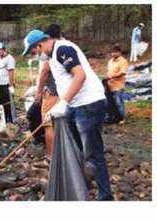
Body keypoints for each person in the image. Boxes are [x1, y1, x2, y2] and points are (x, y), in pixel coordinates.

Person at [22, 29, 113, 200]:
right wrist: (59, 106)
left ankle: (105, 197)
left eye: (33, 52)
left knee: (93, 153)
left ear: (40, 44)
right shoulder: (51, 56)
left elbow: (80, 76)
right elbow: (64, 82)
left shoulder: (62, 49)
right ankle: (80, 183)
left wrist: (62, 102)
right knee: (76, 147)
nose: (33, 56)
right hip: (75, 105)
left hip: (89, 104)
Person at [32, 24, 61, 158]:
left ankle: (51, 156)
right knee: (60, 123)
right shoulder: (65, 46)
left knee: (48, 124)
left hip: (53, 92)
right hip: (63, 92)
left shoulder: (49, 51)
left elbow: (44, 72)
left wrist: (39, 92)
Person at [104, 44, 129, 124]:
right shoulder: (110, 61)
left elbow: (122, 72)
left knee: (119, 103)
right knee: (109, 103)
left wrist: (112, 76)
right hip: (109, 85)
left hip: (118, 86)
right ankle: (111, 117)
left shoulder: (123, 61)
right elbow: (109, 71)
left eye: (115, 52)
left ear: (119, 52)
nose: (113, 54)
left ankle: (122, 118)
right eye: (112, 52)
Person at [0, 42, 16, 124]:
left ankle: (11, 120)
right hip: (0, 84)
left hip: (7, 85)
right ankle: (4, 119)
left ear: (4, 50)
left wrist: (11, 85)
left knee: (9, 103)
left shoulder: (9, 58)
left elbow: (11, 72)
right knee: (2, 103)